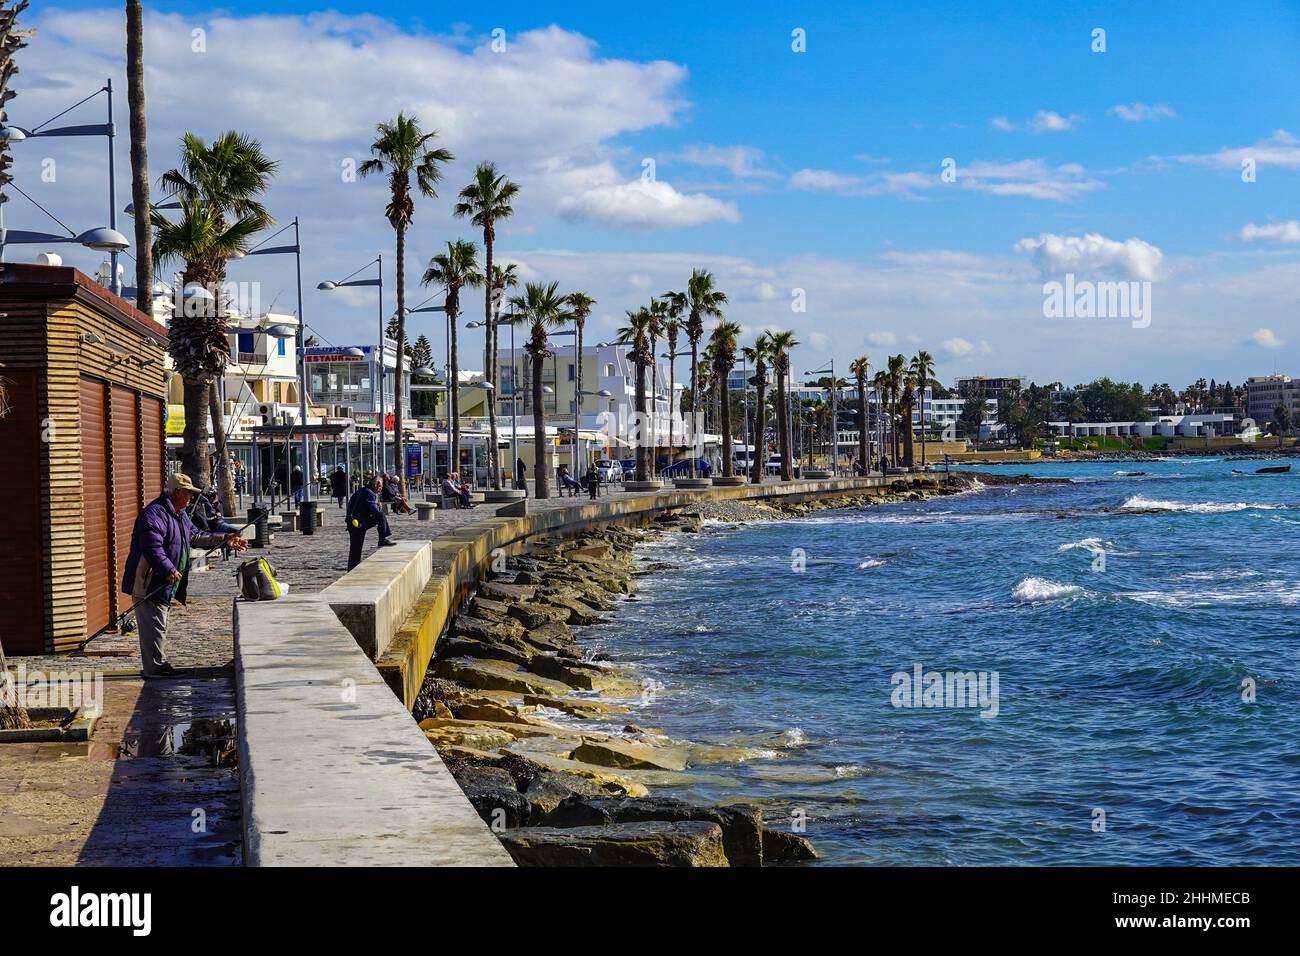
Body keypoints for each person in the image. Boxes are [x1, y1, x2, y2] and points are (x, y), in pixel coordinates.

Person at [122, 472, 248, 678]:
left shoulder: (179, 514)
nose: (191, 498)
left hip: (165, 580)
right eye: (188, 493)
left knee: (159, 622)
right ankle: (155, 669)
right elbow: (152, 547)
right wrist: (168, 569)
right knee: (154, 624)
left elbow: (196, 536)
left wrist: (226, 539)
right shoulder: (154, 514)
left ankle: (159, 665)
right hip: (150, 581)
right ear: (177, 492)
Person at [346, 475, 396, 571]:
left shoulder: (363, 490)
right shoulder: (370, 493)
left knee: (355, 548)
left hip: (353, 523)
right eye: (381, 486)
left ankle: (352, 569)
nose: (381, 488)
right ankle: (382, 539)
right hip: (358, 524)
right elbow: (375, 512)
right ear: (377, 485)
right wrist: (379, 506)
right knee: (381, 515)